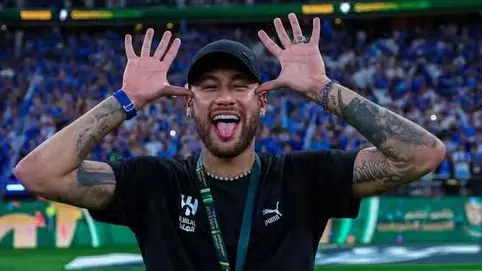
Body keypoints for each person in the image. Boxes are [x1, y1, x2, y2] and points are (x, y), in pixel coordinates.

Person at [14, 14, 446, 271]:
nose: (223, 96)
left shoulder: (304, 177)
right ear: (188, 104)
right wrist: (127, 101)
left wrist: (323, 89)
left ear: (262, 101)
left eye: (240, 85)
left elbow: (423, 154)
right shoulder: (154, 184)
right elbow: (37, 173)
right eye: (207, 86)